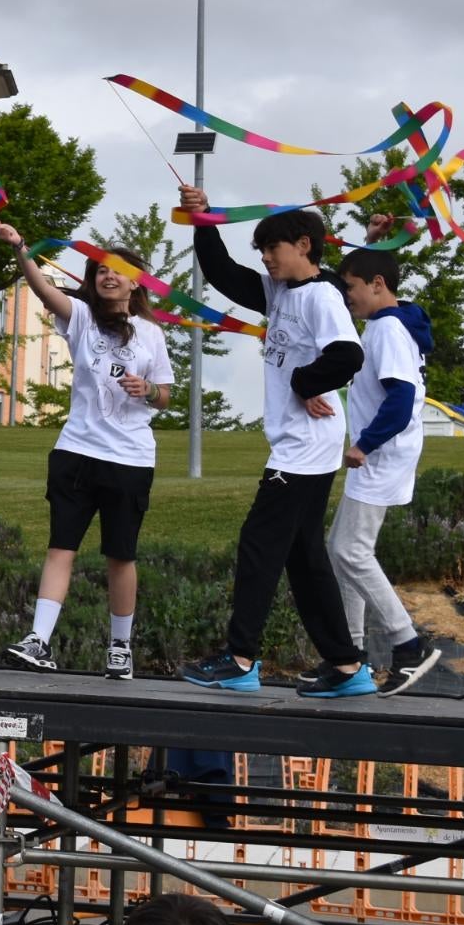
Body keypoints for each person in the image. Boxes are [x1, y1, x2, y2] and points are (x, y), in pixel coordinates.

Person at [177, 186, 371, 696]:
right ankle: (347, 667)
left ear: (304, 244)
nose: (264, 258)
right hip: (300, 442)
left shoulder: (322, 295)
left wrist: (306, 384)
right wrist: (203, 219)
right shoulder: (281, 291)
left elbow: (349, 355)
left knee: (259, 544)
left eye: (272, 248)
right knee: (303, 556)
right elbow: (222, 274)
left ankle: (240, 660)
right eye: (261, 251)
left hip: (304, 447)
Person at [0, 221, 173, 680]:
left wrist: (147, 389)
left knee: (120, 555)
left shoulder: (152, 333)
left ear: (136, 282)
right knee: (61, 547)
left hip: (130, 459)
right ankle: (38, 640)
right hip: (76, 451)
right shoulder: (82, 317)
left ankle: (119, 647)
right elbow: (42, 289)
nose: (107, 277)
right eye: (99, 271)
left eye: (117, 271)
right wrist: (21, 249)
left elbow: (167, 395)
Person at [332, 240, 443, 695]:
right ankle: (349, 657)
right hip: (382, 455)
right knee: (340, 549)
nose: (347, 297)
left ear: (378, 285)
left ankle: (408, 644)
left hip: (382, 455)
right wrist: (372, 240)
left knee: (349, 551)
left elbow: (400, 401)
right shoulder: (388, 323)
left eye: (351, 288)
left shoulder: (388, 330)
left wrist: (364, 444)